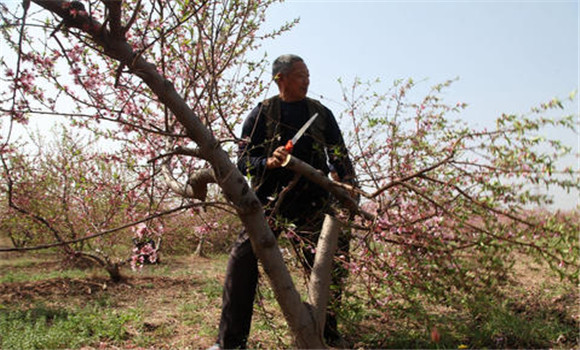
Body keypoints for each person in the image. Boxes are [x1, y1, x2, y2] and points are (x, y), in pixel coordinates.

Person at [212, 54, 357, 349]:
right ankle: (230, 343)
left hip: (314, 203)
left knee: (332, 264)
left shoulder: (321, 114)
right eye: (300, 75)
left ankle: (326, 333)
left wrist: (348, 185)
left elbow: (339, 156)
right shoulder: (261, 114)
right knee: (242, 262)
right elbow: (242, 162)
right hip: (269, 203)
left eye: (308, 74)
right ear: (281, 79)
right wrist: (268, 162)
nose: (307, 80)